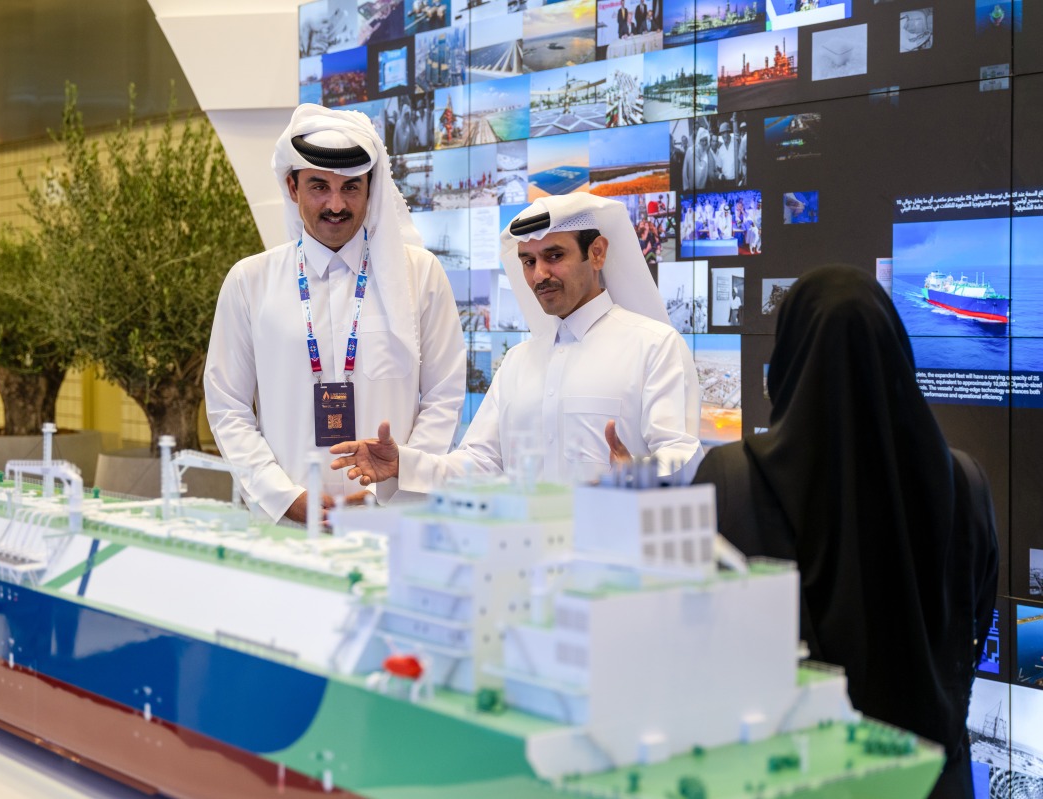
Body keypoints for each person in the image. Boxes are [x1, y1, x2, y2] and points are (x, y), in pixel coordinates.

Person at [693, 265, 998, 799]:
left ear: (789, 357)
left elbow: (697, 636)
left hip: (787, 777)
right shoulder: (965, 480)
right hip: (931, 777)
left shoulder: (731, 477)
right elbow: (974, 621)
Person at [330, 193, 704, 491]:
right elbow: (479, 464)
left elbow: (683, 455)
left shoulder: (654, 346)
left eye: (554, 256)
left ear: (597, 252)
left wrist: (637, 476)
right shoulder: (519, 362)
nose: (540, 275)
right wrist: (403, 465)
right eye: (527, 261)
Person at [204, 104, 466, 525]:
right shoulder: (250, 282)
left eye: (351, 188)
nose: (336, 204)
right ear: (292, 187)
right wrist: (282, 496)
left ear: (370, 189)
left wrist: (396, 486)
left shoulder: (419, 275)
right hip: (286, 525)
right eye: (319, 187)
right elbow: (227, 405)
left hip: (392, 520)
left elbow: (444, 395)